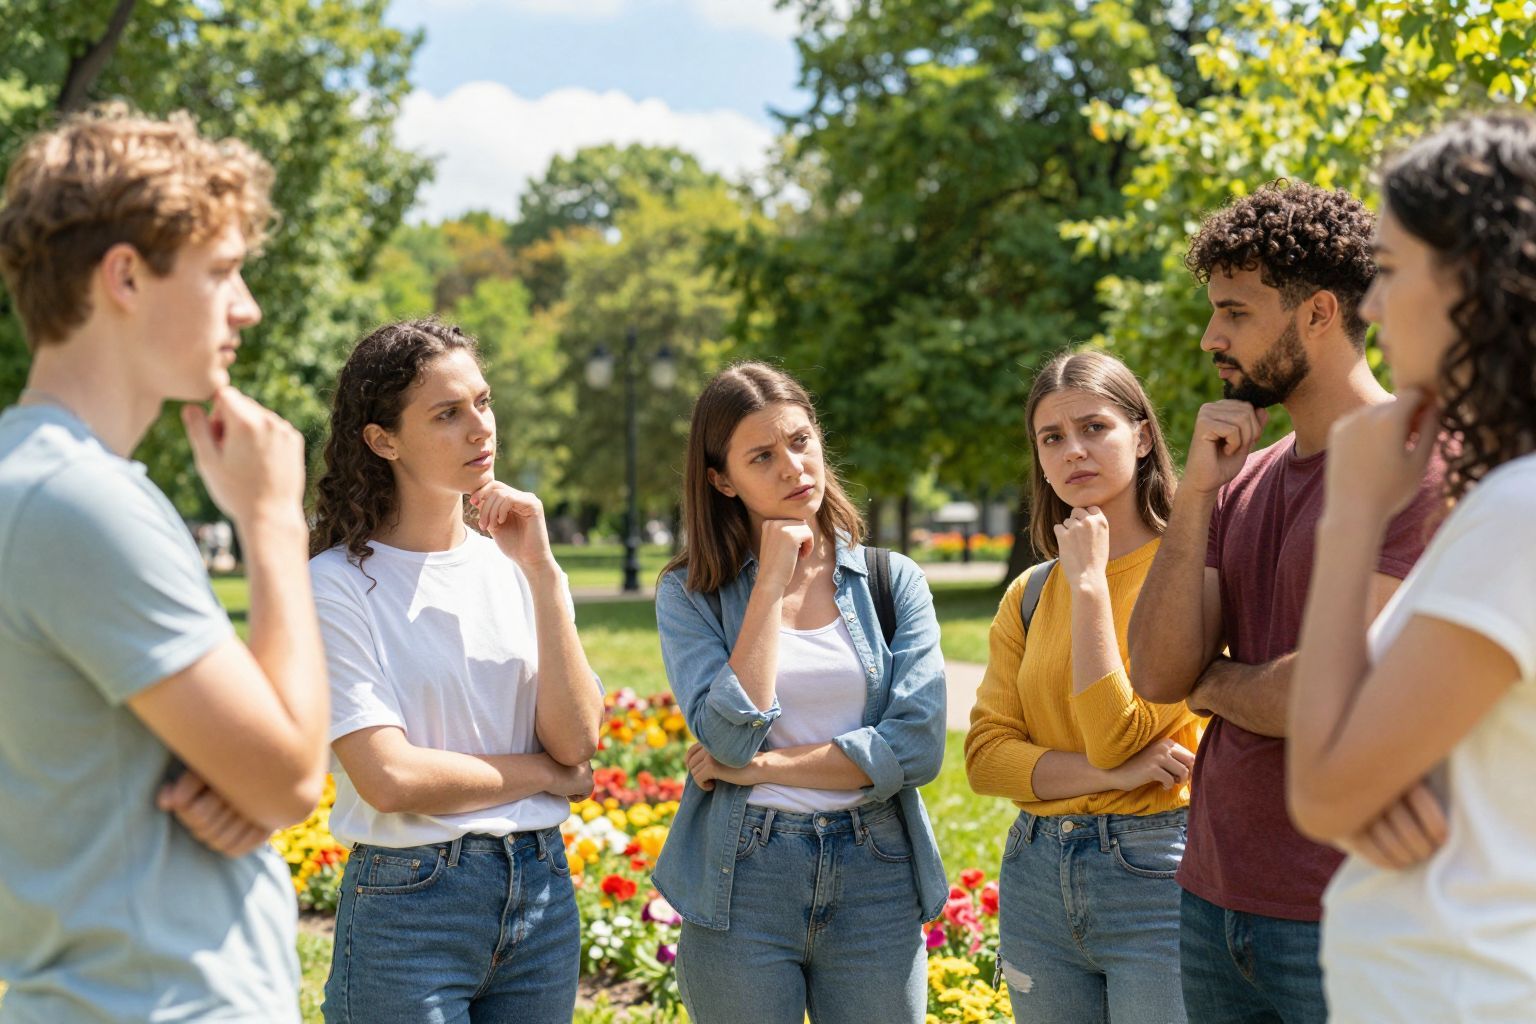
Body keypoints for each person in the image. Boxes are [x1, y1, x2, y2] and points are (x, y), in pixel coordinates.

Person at [0, 105, 327, 1021]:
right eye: (222, 272)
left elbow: (257, 769)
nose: (247, 306)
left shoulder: (36, 481)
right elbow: (292, 775)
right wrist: (270, 519)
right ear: (126, 278)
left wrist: (251, 778)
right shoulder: (79, 501)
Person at [1127, 181, 1445, 1022]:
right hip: (1214, 900)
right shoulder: (1244, 477)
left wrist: (1216, 684)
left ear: (1319, 314)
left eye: (1234, 312)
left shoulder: (1417, 467)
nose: (1210, 337)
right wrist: (1195, 494)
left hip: (1346, 912)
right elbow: (1159, 673)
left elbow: (1327, 693)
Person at [1288, 112, 1536, 1022]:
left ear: (1478, 276)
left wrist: (1351, 515)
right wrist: (1365, 777)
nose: (1372, 307)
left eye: (1390, 271)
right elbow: (1347, 769)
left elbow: (1317, 788)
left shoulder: (1519, 512)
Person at [307, 318, 602, 1024]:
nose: (481, 429)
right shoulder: (336, 585)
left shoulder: (514, 566)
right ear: (383, 440)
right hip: (409, 907)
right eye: (447, 413)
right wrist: (544, 776)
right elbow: (389, 778)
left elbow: (578, 743)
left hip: (541, 897)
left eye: (483, 402)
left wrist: (544, 573)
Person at [651, 361, 948, 1024]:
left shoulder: (890, 582)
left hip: (876, 871)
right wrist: (770, 584)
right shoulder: (689, 596)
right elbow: (726, 733)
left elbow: (917, 748)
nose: (793, 467)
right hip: (744, 875)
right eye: (762, 456)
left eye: (801, 441)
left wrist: (758, 768)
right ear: (722, 480)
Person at [965, 350, 1200, 1023]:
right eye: (1053, 437)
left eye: (1095, 427)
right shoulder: (1031, 592)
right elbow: (984, 759)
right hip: (1037, 874)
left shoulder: (1194, 573)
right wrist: (1118, 774)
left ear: (1143, 435)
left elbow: (1115, 728)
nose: (1075, 451)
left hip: (1157, 871)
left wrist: (1092, 584)